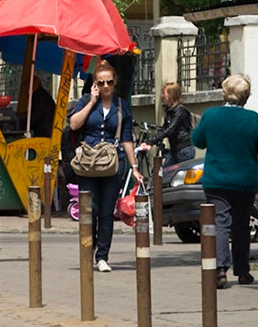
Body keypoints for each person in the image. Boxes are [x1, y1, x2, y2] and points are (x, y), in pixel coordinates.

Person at [190, 73, 258, 288]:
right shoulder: (252, 119)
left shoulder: (211, 116)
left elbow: (197, 140)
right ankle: (243, 271)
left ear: (224, 93)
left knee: (221, 223)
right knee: (241, 225)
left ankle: (220, 269)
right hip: (244, 181)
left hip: (216, 180)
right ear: (245, 96)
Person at [66, 63, 136, 270]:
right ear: (95, 84)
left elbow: (127, 137)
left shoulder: (122, 106)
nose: (106, 86)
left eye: (109, 82)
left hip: (113, 162)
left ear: (115, 83)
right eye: (101, 82)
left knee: (106, 211)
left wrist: (135, 166)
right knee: (90, 209)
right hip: (88, 162)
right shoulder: (86, 101)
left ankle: (102, 256)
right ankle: (89, 247)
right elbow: (74, 125)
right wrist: (91, 101)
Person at [153, 81, 194, 164]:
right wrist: (151, 141)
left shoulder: (179, 111)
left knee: (181, 176)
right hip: (174, 150)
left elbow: (170, 129)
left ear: (171, 95)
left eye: (164, 94)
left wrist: (154, 139)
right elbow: (164, 128)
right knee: (166, 173)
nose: (162, 96)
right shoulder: (170, 111)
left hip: (184, 150)